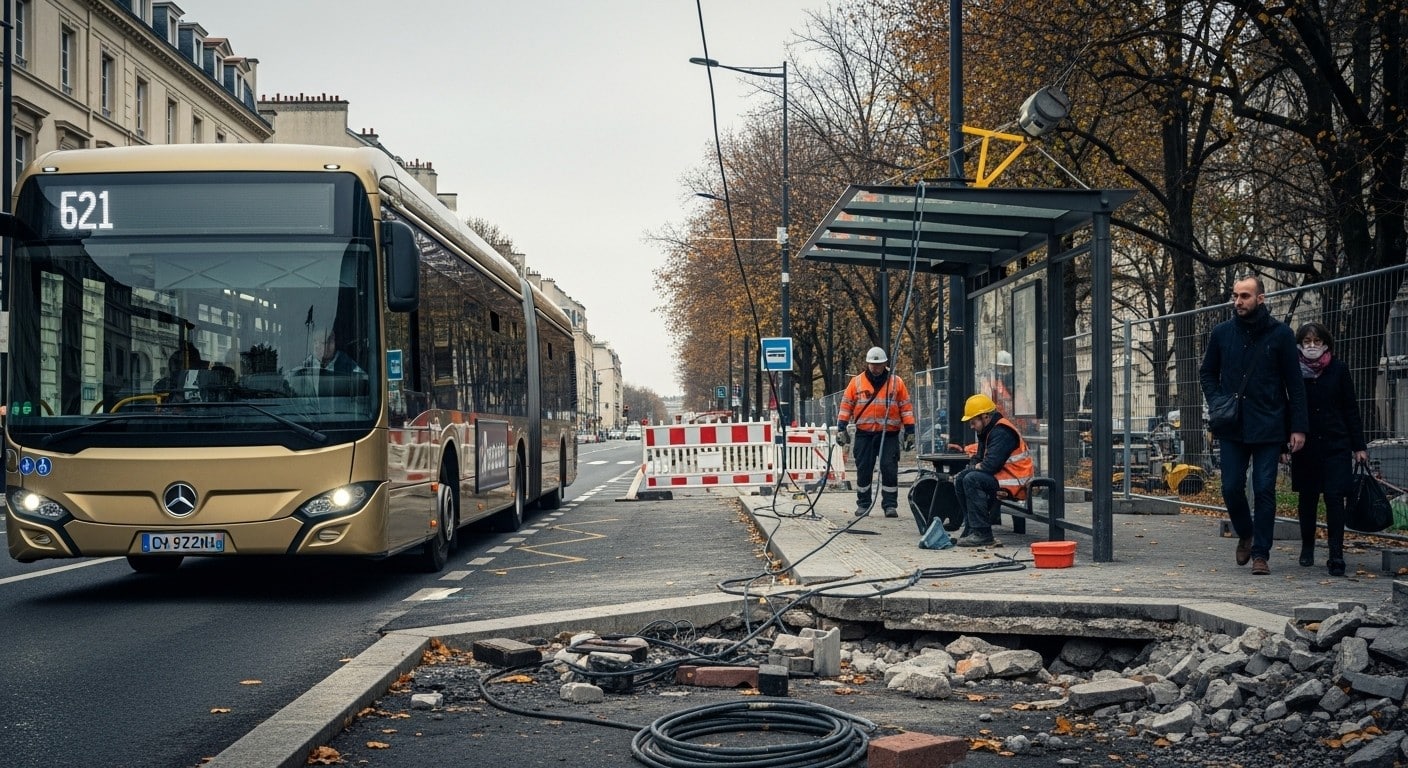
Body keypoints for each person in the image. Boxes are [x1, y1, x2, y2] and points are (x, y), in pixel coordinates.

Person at [1199, 275, 1307, 576]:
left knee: (1264, 489)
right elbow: (1207, 372)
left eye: (1245, 296)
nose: (1238, 302)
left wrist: (1298, 427)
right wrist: (1218, 399)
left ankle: (1261, 553)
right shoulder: (1222, 333)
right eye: (1235, 296)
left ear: (1260, 298)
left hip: (1269, 424)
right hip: (1232, 424)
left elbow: (1294, 384)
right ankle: (1245, 533)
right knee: (1231, 486)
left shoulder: (1281, 334)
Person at [1286, 322, 1367, 577]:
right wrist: (1283, 443)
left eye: (1317, 341)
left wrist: (1359, 446)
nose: (1312, 346)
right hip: (1305, 445)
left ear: (1326, 344)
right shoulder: (1292, 372)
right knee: (1308, 497)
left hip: (1336, 443)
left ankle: (1336, 554)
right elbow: (1286, 408)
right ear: (1299, 344)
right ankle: (1307, 546)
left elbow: (1350, 408)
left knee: (1334, 497)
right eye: (1307, 341)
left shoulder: (1339, 369)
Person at [834, 346, 916, 518]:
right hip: (865, 433)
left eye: (878, 365)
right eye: (872, 364)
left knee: (889, 468)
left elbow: (906, 408)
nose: (875, 368)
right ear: (868, 364)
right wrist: (841, 427)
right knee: (864, 468)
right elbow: (846, 405)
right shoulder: (856, 382)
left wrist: (910, 430)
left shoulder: (896, 383)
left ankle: (890, 505)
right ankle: (863, 503)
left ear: (885, 364)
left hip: (889, 434)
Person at [944, 393, 1035, 547]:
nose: (971, 426)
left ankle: (983, 533)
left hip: (1016, 482)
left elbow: (989, 466)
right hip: (1004, 478)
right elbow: (978, 459)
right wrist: (969, 469)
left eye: (973, 422)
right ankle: (972, 529)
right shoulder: (988, 431)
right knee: (962, 478)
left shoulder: (1001, 432)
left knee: (971, 479)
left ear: (985, 417)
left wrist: (973, 469)